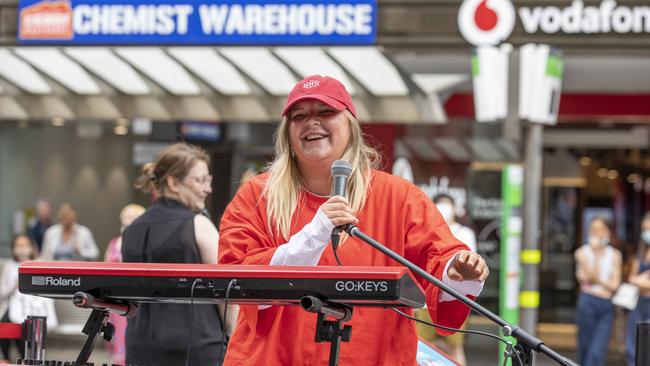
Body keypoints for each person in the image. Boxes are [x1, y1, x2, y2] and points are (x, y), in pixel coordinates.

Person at [219, 75, 489, 365]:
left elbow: (440, 258)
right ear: (287, 132)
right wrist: (317, 233)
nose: (312, 122)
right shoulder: (257, 196)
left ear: (350, 125)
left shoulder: (398, 196)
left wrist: (458, 272)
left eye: (326, 112)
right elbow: (238, 281)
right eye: (299, 115)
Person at [121, 143, 236, 366]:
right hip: (197, 348)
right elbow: (226, 295)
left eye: (208, 180)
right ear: (174, 183)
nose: (208, 188)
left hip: (140, 347)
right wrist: (236, 339)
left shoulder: (132, 230)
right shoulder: (198, 225)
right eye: (200, 180)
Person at [414, 193, 478, 365]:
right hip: (426, 302)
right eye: (440, 205)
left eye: (446, 205)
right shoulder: (424, 232)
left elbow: (471, 262)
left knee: (455, 348)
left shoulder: (465, 232)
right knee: (422, 348)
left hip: (455, 300)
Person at [574, 216, 622, 366]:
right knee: (585, 347)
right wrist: (595, 254)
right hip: (587, 302)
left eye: (601, 229)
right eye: (594, 229)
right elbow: (585, 278)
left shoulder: (615, 254)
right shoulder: (582, 252)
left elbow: (614, 286)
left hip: (606, 306)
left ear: (608, 231)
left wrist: (595, 280)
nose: (597, 233)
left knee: (598, 350)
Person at [1, 235, 57, 360]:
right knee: (5, 323)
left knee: (26, 326)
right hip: (13, 305)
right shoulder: (10, 266)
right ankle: (6, 358)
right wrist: (14, 286)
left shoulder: (40, 264)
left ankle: (27, 358)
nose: (22, 249)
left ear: (32, 247)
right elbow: (2, 292)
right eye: (18, 246)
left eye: (25, 245)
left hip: (34, 306)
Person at [104, 203, 145, 365]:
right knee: (115, 332)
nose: (128, 220)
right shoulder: (114, 243)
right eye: (126, 217)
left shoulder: (142, 243)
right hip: (115, 295)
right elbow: (106, 267)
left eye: (132, 217)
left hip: (133, 295)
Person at [626, 212, 650, 366]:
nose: (646, 233)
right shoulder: (641, 253)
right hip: (638, 303)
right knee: (633, 345)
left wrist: (639, 281)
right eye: (644, 229)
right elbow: (631, 278)